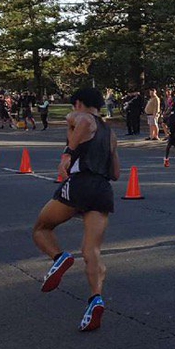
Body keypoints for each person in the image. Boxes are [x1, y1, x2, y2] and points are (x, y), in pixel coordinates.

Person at [31, 87, 121, 331]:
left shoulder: (81, 116)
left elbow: (79, 122)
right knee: (91, 250)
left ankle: (60, 258)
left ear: (79, 103)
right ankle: (96, 299)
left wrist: (68, 153)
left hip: (81, 183)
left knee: (42, 228)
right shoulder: (110, 132)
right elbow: (115, 173)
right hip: (103, 189)